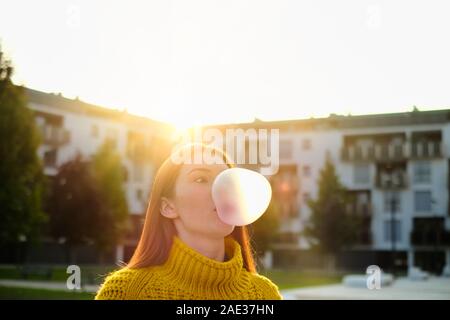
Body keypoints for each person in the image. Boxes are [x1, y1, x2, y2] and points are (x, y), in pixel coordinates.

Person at [95, 143, 282, 300]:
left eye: (226, 180)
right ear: (168, 207)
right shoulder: (125, 292)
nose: (223, 190)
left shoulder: (266, 295)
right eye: (201, 179)